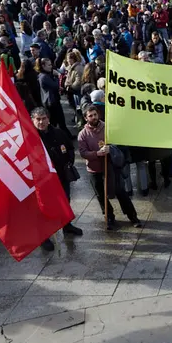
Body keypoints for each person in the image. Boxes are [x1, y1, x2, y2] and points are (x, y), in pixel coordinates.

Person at [77, 105, 142, 229]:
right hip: (94, 169)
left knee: (120, 191)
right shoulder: (82, 134)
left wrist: (110, 148)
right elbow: (83, 153)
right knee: (100, 195)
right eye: (90, 116)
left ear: (99, 115)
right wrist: (97, 153)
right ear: (86, 118)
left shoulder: (108, 127)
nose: (93, 117)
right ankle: (109, 216)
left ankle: (132, 216)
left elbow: (119, 142)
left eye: (95, 114)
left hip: (111, 166)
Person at [32, 107, 83, 251]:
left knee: (65, 201)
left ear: (48, 119)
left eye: (43, 118)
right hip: (43, 181)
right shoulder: (30, 138)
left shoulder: (59, 133)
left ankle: (67, 225)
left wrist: (69, 162)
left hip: (61, 176)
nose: (41, 122)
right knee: (44, 208)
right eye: (38, 119)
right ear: (33, 120)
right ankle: (44, 236)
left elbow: (70, 148)